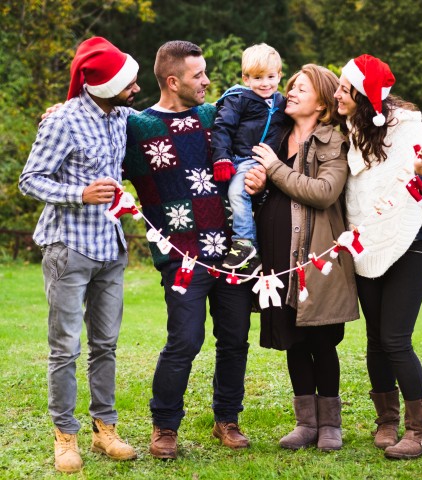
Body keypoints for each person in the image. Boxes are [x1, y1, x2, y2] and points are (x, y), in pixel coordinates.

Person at [122, 40, 254, 460]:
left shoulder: (213, 117)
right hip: (181, 257)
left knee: (234, 339)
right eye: (199, 75)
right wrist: (60, 109)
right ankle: (164, 426)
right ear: (173, 80)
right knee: (185, 339)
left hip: (230, 253)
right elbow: (96, 119)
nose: (207, 81)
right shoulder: (137, 128)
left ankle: (227, 419)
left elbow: (264, 112)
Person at [18, 37, 140, 473]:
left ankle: (105, 429)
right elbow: (29, 180)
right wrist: (80, 194)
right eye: (128, 83)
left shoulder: (123, 116)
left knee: (105, 345)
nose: (135, 89)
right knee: (65, 348)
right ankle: (64, 436)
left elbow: (159, 116)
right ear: (102, 85)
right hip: (68, 248)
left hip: (111, 247)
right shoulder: (62, 122)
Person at [334, 54, 422, 459]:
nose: (337, 93)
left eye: (344, 87)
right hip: (368, 242)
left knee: (395, 338)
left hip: (412, 241)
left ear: (363, 95)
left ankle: (420, 431)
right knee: (374, 340)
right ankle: (386, 421)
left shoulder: (409, 129)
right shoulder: (353, 133)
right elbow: (359, 192)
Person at [250, 64, 359, 452]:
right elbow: (226, 112)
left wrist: (274, 169)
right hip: (277, 253)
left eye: (301, 88)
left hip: (315, 255)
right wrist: (255, 181)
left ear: (323, 101)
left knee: (320, 339)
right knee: (292, 337)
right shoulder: (273, 133)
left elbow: (325, 191)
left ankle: (330, 425)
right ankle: (305, 424)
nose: (290, 92)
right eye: (291, 86)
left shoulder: (333, 140)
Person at [211, 43, 286, 274]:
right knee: (227, 197)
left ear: (279, 75)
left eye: (271, 77)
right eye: (257, 77)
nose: (265, 83)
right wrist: (221, 158)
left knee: (238, 192)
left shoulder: (281, 102)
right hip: (237, 157)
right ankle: (251, 252)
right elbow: (222, 127)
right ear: (246, 78)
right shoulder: (238, 99)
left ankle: (243, 243)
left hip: (259, 159)